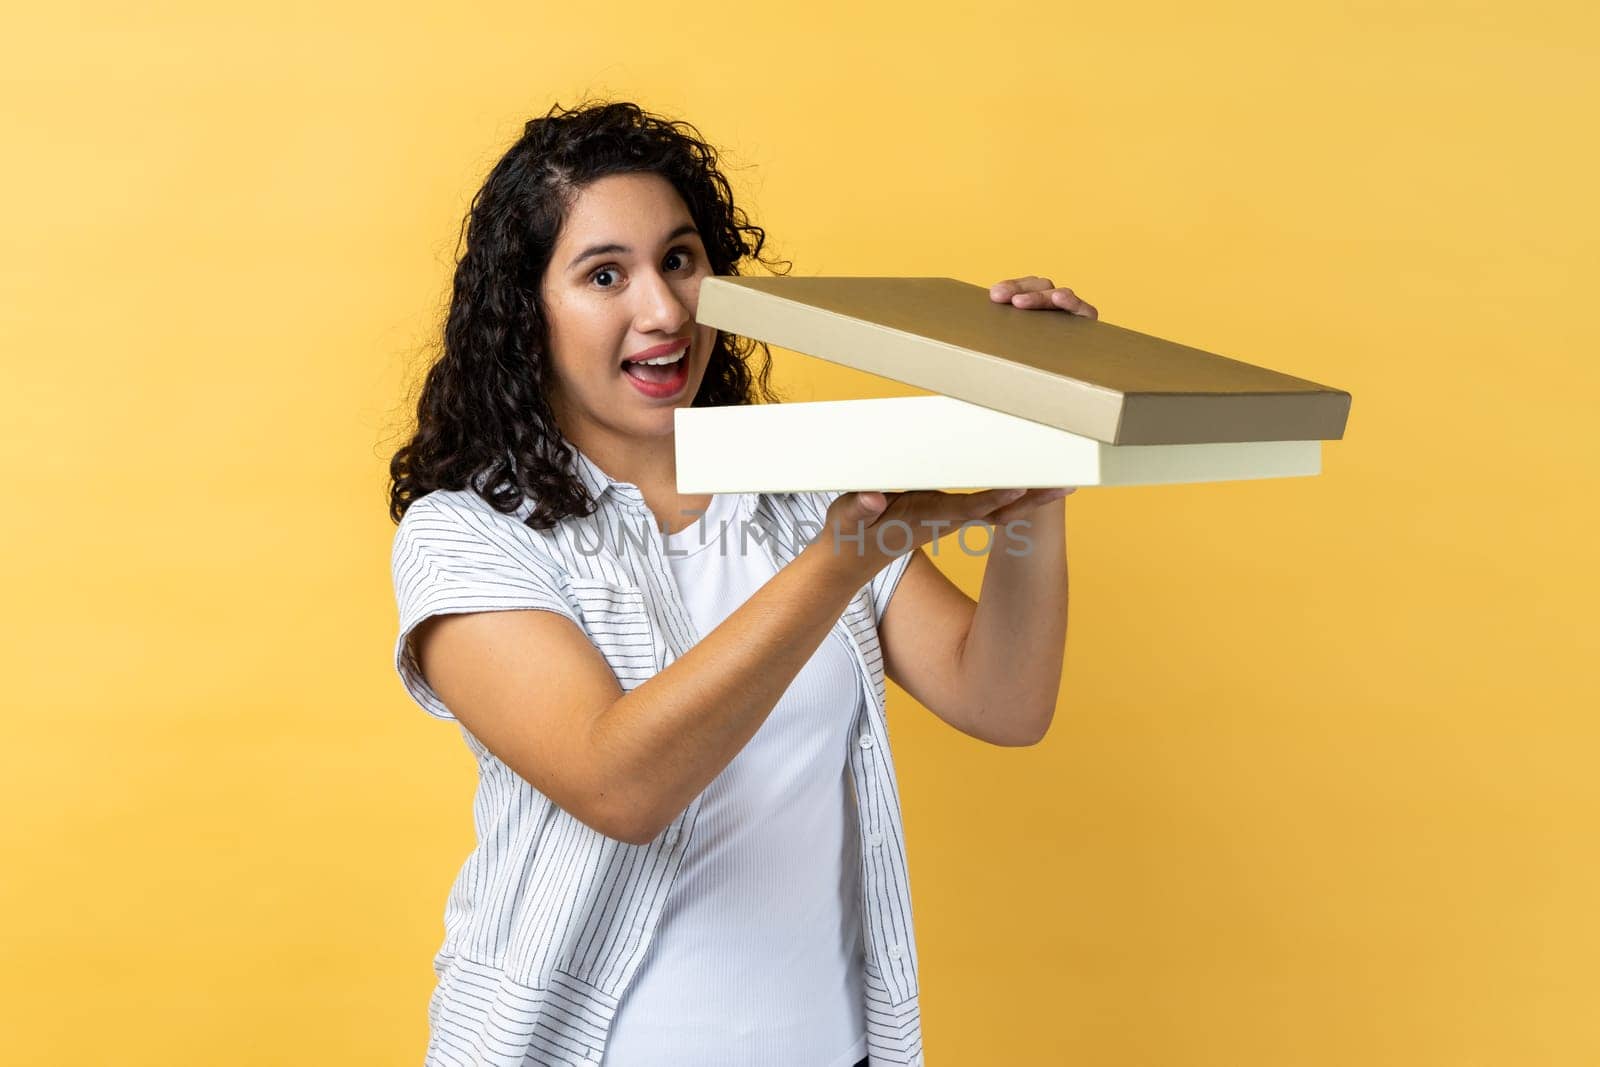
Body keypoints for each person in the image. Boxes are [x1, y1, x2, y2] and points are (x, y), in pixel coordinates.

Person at [387, 99, 1096, 1067]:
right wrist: (841, 560)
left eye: (681, 259)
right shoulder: (468, 534)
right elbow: (621, 781)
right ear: (526, 312)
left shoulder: (799, 496)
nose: (665, 311)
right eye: (606, 274)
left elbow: (1004, 697)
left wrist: (1036, 482)